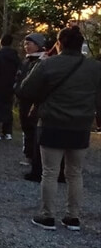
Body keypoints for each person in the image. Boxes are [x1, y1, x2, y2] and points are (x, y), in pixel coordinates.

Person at [19, 26, 101, 231]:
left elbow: (25, 90)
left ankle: (47, 216)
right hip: (81, 125)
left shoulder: (48, 64)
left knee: (50, 171)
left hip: (52, 123)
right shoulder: (95, 67)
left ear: (59, 43)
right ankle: (73, 217)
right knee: (75, 173)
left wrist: (40, 66)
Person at [15, 33, 47, 170]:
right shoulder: (26, 61)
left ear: (38, 45)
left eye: (29, 44)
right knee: (26, 128)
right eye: (25, 44)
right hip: (23, 100)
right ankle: (28, 156)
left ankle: (36, 158)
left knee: (34, 129)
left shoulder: (43, 60)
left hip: (35, 101)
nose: (26, 46)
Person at [0, 34, 21, 140]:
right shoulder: (15, 56)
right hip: (10, 85)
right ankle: (7, 132)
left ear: (0, 42)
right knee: (8, 109)